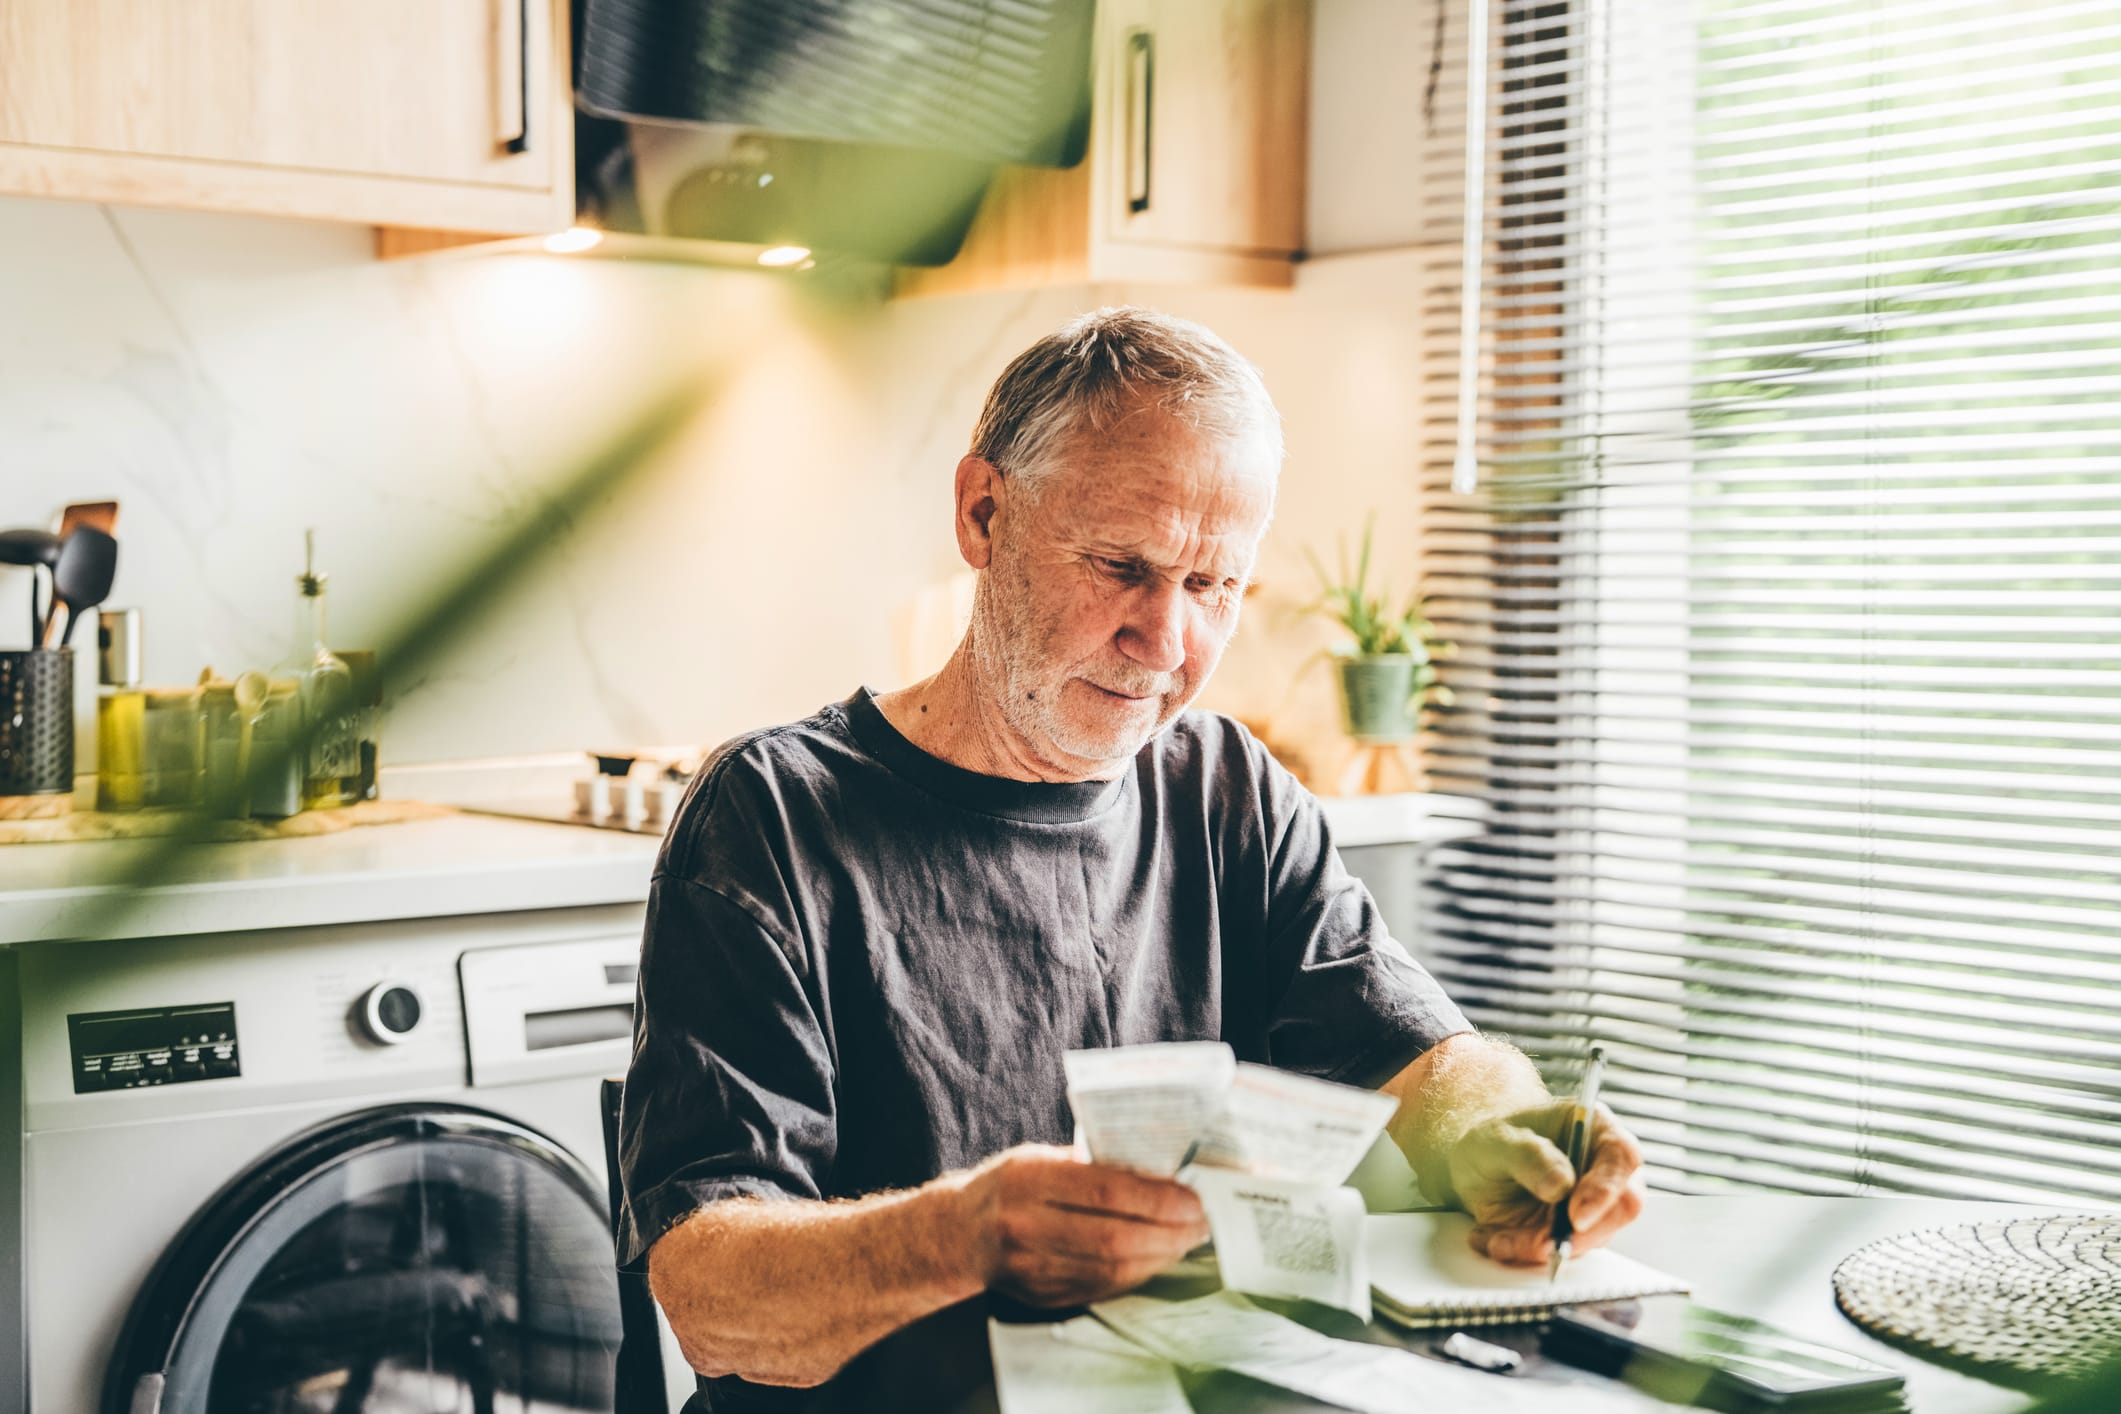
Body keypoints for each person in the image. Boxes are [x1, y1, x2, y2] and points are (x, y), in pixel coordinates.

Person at [618, 307, 1645, 1411]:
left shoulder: (1225, 788)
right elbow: (708, 1295)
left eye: (1214, 587)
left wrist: (1505, 1131)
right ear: (983, 511)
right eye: (1122, 566)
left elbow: (1427, 1058)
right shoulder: (771, 815)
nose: (1165, 643)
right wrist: (962, 1235)